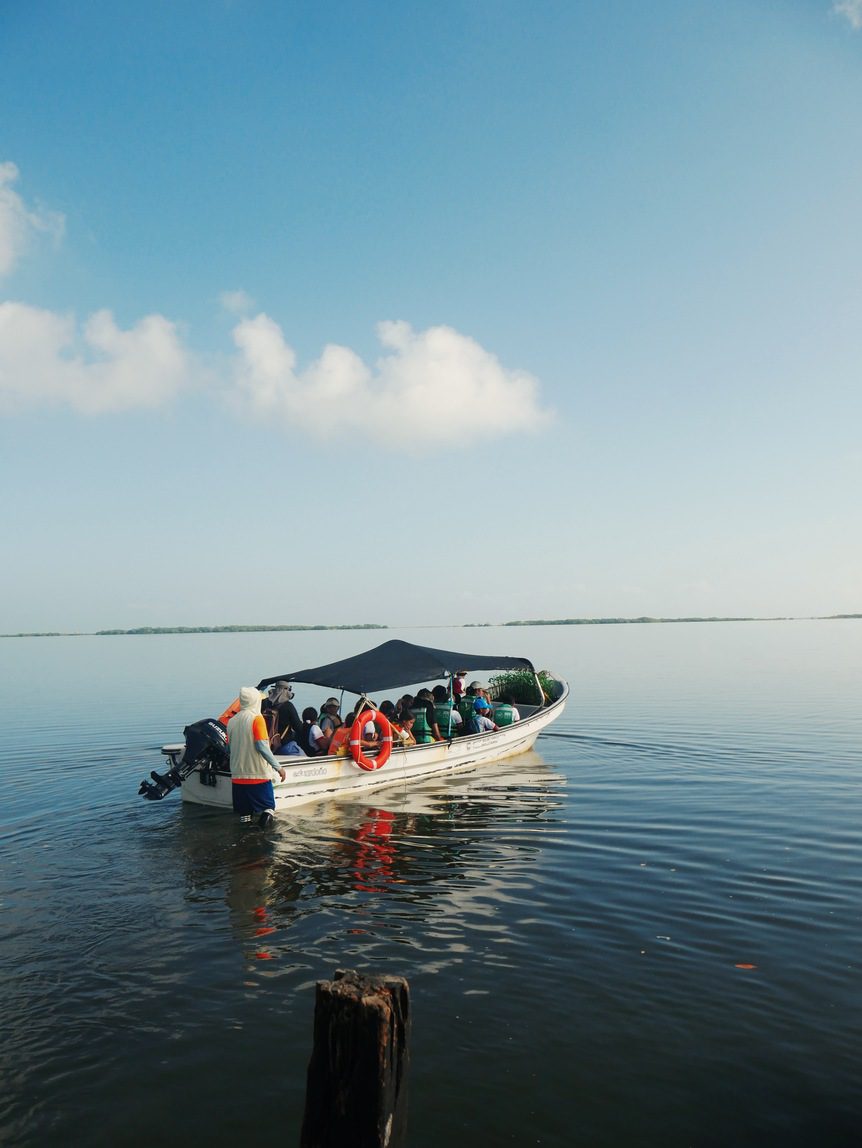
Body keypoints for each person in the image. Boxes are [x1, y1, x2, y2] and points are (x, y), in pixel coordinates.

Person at [226, 686, 286, 828]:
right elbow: (262, 747)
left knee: (245, 814)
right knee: (268, 808)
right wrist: (278, 768)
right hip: (257, 775)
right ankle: (262, 836)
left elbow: (229, 749)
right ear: (255, 701)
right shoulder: (257, 719)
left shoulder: (231, 722)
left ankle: (244, 837)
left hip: (238, 777)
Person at [265, 681, 302, 752]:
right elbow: (298, 727)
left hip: (267, 744)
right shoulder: (288, 706)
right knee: (303, 755)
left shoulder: (264, 703)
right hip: (283, 745)